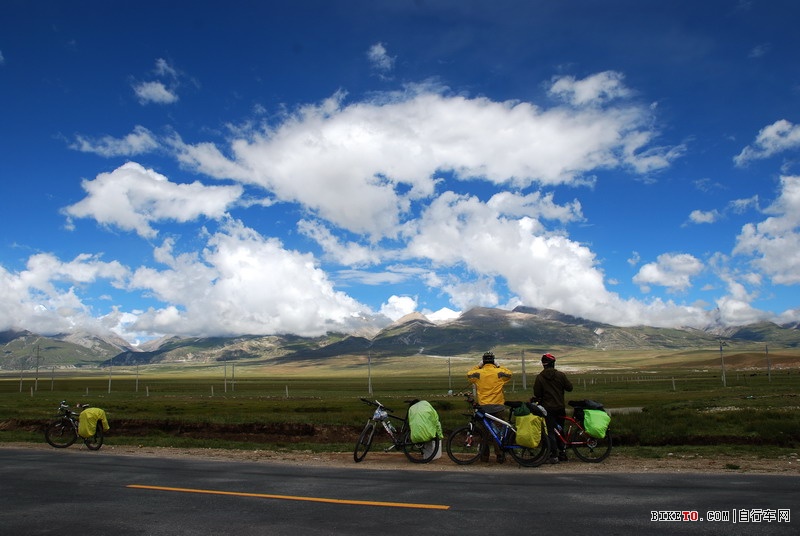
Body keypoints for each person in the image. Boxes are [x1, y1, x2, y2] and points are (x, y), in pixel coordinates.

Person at [467, 351, 512, 463]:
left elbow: (469, 374)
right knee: (498, 432)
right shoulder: (499, 372)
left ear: (483, 361)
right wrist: (499, 365)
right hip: (498, 406)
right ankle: (500, 456)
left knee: (484, 433)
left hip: (484, 407)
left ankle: (484, 456)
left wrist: (478, 365)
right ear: (493, 360)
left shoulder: (479, 373)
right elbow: (509, 374)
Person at [533, 352, 573, 464]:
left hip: (547, 409)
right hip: (560, 407)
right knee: (560, 429)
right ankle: (563, 452)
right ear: (553, 363)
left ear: (544, 364)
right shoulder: (560, 375)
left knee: (550, 431)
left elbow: (537, 393)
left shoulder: (540, 377)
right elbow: (570, 388)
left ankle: (553, 454)